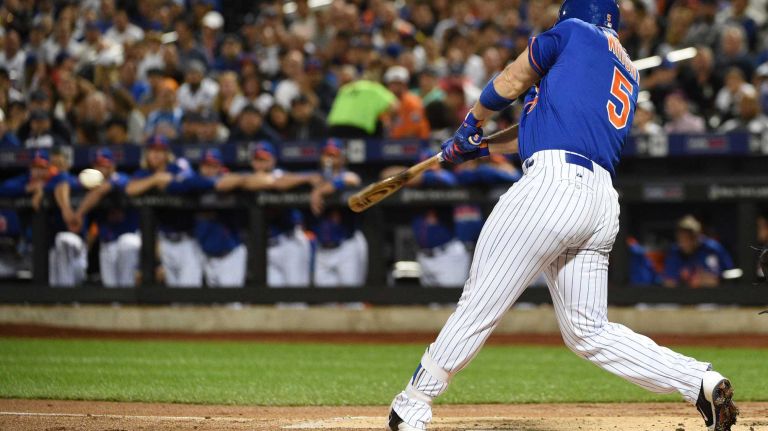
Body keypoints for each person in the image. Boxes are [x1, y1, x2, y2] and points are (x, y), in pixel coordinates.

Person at [386, 2, 738, 431]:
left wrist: (471, 121)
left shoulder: (573, 31)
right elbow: (542, 122)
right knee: (588, 332)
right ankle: (699, 380)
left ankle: (413, 402)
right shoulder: (626, 67)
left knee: (480, 301)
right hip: (600, 201)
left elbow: (513, 79)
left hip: (551, 187)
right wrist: (479, 147)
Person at [0, 149, 86, 286]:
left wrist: (43, 188)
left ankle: (67, 296)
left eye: (43, 167)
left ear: (50, 168)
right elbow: (4, 188)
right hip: (38, 250)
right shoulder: (25, 181)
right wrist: (27, 188)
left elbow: (69, 182)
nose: (38, 172)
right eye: (35, 167)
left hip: (71, 249)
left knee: (63, 241)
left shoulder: (60, 179)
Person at [240, 142, 321, 287]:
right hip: (266, 248)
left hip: (290, 243)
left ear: (273, 160)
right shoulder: (248, 178)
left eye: (264, 159)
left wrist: (305, 178)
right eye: (257, 160)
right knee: (275, 300)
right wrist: (268, 182)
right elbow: (245, 181)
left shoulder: (280, 174)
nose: (260, 164)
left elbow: (280, 181)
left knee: (296, 298)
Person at [125, 136, 200, 286]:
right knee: (171, 299)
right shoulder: (144, 173)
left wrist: (168, 181)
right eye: (153, 150)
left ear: (167, 154)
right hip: (164, 242)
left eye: (161, 151)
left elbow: (192, 183)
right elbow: (130, 189)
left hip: (188, 240)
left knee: (189, 296)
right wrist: (156, 179)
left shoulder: (177, 167)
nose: (156, 154)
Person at [73, 149, 141, 287]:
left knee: (127, 285)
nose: (101, 169)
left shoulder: (120, 178)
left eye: (105, 165)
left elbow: (103, 188)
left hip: (126, 240)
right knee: (111, 291)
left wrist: (78, 214)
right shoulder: (89, 186)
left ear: (112, 166)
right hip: (107, 243)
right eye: (97, 166)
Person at [309, 140, 366, 287]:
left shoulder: (348, 175)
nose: (329, 159)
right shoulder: (315, 178)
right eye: (326, 154)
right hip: (322, 248)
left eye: (334, 155)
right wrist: (314, 185)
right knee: (326, 303)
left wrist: (320, 191)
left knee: (352, 301)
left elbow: (353, 180)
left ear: (342, 158)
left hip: (346, 245)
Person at [194, 148, 248, 287]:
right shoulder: (193, 186)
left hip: (230, 255)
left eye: (213, 166)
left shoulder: (231, 184)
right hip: (205, 256)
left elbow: (243, 179)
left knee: (232, 305)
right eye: (206, 165)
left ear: (220, 167)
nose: (209, 170)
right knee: (212, 306)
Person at [662, 215, 735, 288]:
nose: (684, 243)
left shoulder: (712, 249)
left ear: (696, 237)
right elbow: (669, 282)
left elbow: (716, 280)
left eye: (688, 238)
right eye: (681, 238)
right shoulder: (674, 252)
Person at [327, 68, 397, 138]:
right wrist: (383, 117)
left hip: (334, 128)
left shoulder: (345, 89)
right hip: (358, 129)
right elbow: (395, 106)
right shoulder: (375, 88)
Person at [384, 65, 430, 139]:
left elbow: (415, 129)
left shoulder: (413, 101)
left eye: (399, 83)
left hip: (415, 143)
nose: (395, 87)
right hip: (391, 143)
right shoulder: (385, 101)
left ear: (405, 84)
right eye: (393, 83)